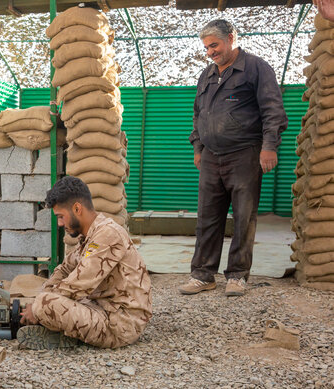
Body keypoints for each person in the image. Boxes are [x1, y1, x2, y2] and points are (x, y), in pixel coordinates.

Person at [182, 20, 288, 297]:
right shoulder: (207, 75)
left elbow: (272, 109)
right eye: (206, 47)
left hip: (245, 154)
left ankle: (238, 275)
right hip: (211, 157)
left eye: (214, 45)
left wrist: (269, 146)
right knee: (207, 217)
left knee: (243, 217)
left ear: (231, 38)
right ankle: (203, 274)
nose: (210, 52)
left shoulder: (256, 68)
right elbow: (198, 114)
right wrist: (198, 148)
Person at [17, 176, 152, 349]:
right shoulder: (91, 236)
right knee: (45, 299)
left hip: (119, 325)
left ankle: (63, 334)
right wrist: (44, 293)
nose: (59, 224)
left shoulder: (107, 234)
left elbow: (79, 284)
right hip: (101, 308)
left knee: (45, 305)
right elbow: (64, 269)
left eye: (61, 216)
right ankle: (63, 333)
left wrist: (37, 308)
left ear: (77, 208)